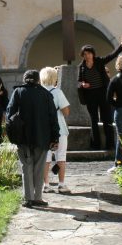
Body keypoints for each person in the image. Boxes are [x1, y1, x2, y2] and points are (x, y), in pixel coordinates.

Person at [6, 69, 59, 208]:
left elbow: (9, 114)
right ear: (38, 80)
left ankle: (28, 198)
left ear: (25, 79)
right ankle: (37, 198)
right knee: (39, 168)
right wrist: (55, 137)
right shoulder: (46, 94)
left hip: (22, 136)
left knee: (26, 167)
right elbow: (53, 118)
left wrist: (12, 132)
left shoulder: (18, 92)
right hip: (42, 137)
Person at [77, 35, 122, 151]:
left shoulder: (99, 61)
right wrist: (83, 84)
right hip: (90, 95)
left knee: (106, 119)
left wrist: (121, 45)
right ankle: (96, 144)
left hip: (102, 93)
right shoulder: (82, 67)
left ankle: (110, 144)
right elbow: (78, 82)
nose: (87, 56)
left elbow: (112, 55)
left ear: (92, 54)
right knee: (93, 120)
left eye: (89, 53)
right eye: (85, 54)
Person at [40, 66, 71, 194]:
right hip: (59, 129)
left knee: (45, 158)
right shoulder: (57, 92)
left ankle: (46, 185)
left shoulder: (38, 92)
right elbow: (66, 112)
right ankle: (61, 184)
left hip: (42, 129)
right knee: (61, 156)